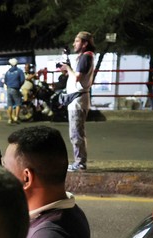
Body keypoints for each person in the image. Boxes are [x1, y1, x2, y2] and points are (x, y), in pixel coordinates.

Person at [60, 31, 95, 172]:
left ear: (85, 43)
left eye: (77, 41)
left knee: (76, 133)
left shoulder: (86, 57)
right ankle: (79, 161)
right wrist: (67, 68)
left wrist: (67, 66)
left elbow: (77, 78)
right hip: (78, 98)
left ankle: (80, 163)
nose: (74, 44)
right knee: (76, 132)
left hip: (78, 100)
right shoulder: (85, 57)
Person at [4, 58, 25, 124]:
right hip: (15, 89)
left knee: (9, 105)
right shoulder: (19, 71)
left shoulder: (8, 72)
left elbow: (5, 81)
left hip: (9, 89)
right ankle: (16, 117)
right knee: (18, 103)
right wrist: (19, 85)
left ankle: (10, 119)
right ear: (16, 64)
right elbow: (22, 80)